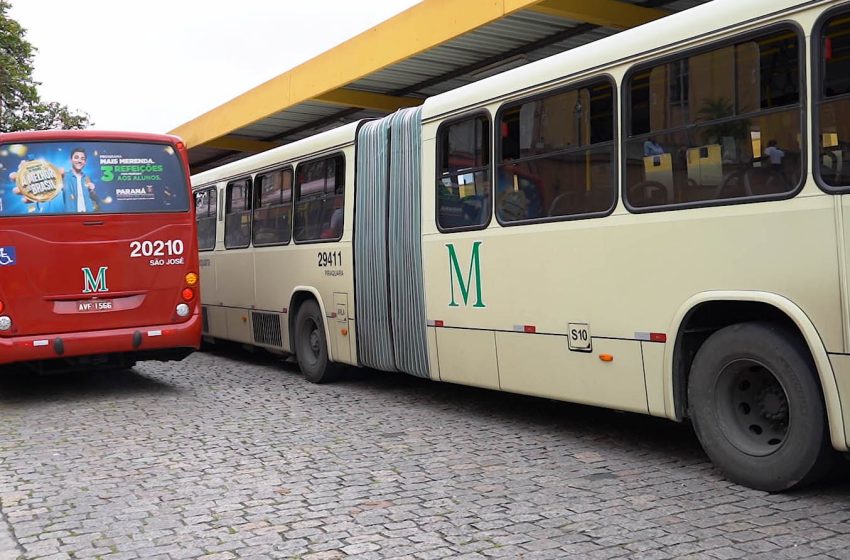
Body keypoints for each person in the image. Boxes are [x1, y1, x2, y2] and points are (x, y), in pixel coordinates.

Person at [62, 147, 100, 212]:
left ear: (85, 162)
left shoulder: (87, 178)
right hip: (72, 217)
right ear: (71, 160)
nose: (79, 161)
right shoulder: (64, 176)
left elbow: (95, 198)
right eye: (76, 157)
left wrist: (92, 190)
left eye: (82, 159)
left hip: (88, 215)